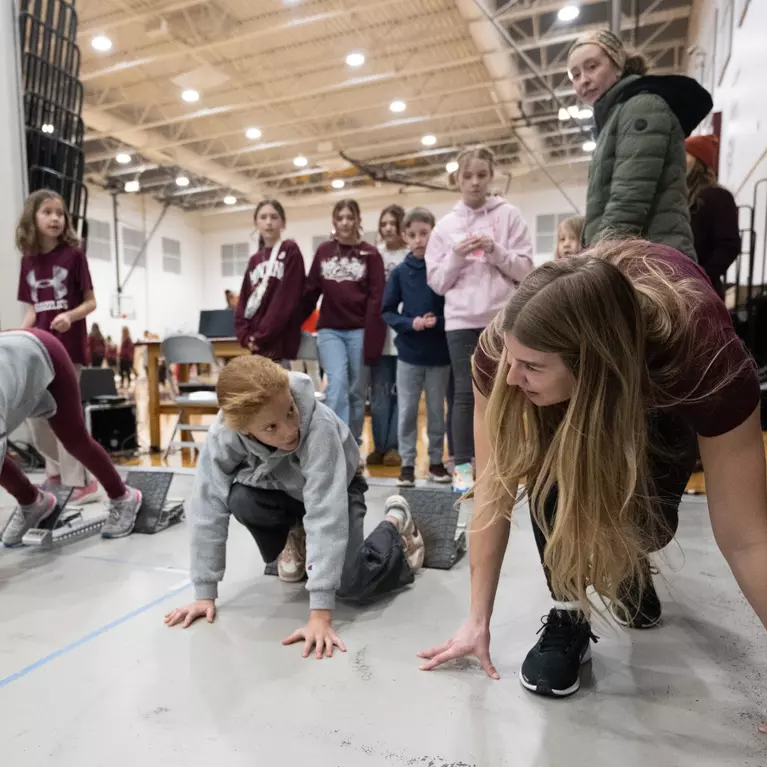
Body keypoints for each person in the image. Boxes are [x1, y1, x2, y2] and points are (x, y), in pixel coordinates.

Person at [418, 240, 767, 707]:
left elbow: (747, 537)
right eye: (512, 361)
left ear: (590, 367)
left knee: (649, 523)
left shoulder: (701, 360)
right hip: (601, 358)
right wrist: (476, 620)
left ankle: (628, 564)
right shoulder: (503, 353)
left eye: (532, 367)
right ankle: (569, 612)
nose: (512, 378)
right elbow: (493, 489)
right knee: (549, 481)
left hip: (655, 377)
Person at [164, 355, 425, 657]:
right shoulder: (224, 434)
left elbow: (325, 513)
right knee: (239, 497)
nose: (290, 430)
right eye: (271, 427)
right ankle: (297, 535)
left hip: (339, 484)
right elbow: (206, 507)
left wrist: (320, 614)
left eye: (290, 411)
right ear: (245, 430)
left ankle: (396, 525)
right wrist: (204, 592)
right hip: (280, 485)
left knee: (351, 584)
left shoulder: (318, 428)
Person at [425, 146, 533, 492]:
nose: (474, 183)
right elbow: (438, 283)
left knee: (507, 389)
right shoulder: (444, 227)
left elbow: (526, 269)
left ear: (491, 176)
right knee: (464, 395)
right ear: (456, 178)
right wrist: (456, 256)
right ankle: (463, 471)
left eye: (481, 175)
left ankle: (504, 463)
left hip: (502, 320)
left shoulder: (509, 216)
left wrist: (494, 250)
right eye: (467, 176)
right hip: (459, 322)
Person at [567, 30, 712, 258]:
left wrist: (597, 258)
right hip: (634, 257)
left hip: (652, 262)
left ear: (618, 66)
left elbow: (630, 196)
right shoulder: (615, 117)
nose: (583, 80)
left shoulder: (641, 106)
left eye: (592, 66)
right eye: (575, 75)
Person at [0, 329, 143, 545]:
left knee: (73, 439)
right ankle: (33, 503)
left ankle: (123, 496)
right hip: (17, 360)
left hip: (45, 353)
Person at [16, 189, 99, 503]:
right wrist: (15, 338)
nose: (55, 218)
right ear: (33, 218)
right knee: (35, 417)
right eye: (47, 212)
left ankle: (82, 482)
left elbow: (91, 303)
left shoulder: (75, 256)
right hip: (39, 350)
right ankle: (55, 474)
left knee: (65, 415)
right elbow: (32, 310)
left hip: (69, 349)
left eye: (59, 213)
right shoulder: (28, 261)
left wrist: (69, 315)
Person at [302, 199, 386, 445]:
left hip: (360, 330)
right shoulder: (324, 252)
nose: (345, 222)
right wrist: (291, 321)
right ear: (334, 222)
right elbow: (310, 291)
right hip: (330, 330)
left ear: (359, 220)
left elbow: (376, 299)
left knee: (357, 391)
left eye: (350, 217)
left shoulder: (371, 254)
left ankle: (352, 441)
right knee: (336, 384)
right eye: (340, 218)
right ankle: (334, 443)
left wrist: (373, 340)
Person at [382, 207, 451, 487]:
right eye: (412, 235)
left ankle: (435, 463)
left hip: (439, 354)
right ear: (404, 237)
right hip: (409, 354)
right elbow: (388, 311)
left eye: (425, 233)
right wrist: (412, 324)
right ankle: (407, 464)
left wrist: (439, 321)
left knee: (436, 411)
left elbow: (456, 307)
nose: (419, 240)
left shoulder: (444, 268)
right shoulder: (400, 273)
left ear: (434, 232)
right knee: (408, 410)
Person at [234, 200, 306, 363]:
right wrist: (245, 336)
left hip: (281, 343)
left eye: (274, 217)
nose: (268, 222)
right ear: (256, 223)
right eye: (263, 217)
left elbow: (286, 299)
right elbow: (244, 302)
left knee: (283, 387)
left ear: (283, 223)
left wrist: (262, 336)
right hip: (257, 346)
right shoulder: (254, 260)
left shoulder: (290, 251)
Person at [367, 204, 409, 468]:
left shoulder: (411, 255)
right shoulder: (375, 256)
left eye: (393, 223)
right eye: (384, 224)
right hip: (379, 337)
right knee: (381, 394)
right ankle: (379, 447)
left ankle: (395, 447)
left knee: (402, 396)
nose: (388, 228)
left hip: (404, 335)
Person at [685, 134, 741, 299]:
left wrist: (701, 277)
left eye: (686, 154)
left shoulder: (717, 197)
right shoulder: (680, 196)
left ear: (698, 161)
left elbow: (729, 245)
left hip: (702, 291)